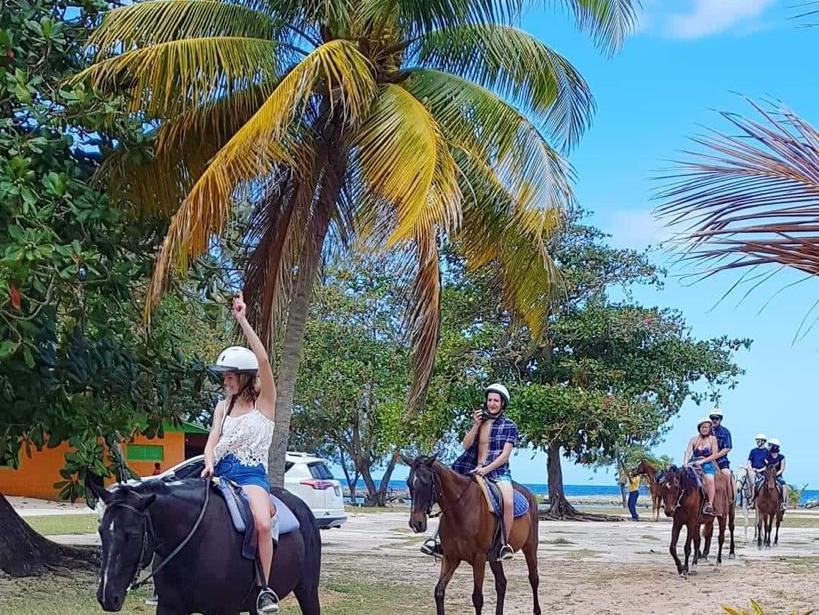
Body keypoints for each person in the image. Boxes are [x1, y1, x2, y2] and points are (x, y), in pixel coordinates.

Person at [201, 293, 279, 613]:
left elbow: (263, 360)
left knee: (261, 523)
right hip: (220, 473)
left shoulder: (265, 402)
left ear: (245, 376)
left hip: (250, 476)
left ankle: (265, 590)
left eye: (231, 374)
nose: (226, 380)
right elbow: (211, 442)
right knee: (170, 505)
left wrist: (242, 320)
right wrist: (207, 464)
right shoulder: (223, 405)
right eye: (225, 375)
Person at [421, 383, 518, 561]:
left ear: (503, 403)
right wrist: (475, 425)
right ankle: (436, 539)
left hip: (498, 472)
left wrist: (486, 469)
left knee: (509, 502)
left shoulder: (509, 425)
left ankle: (504, 544)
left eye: (496, 400)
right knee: (453, 499)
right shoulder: (480, 423)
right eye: (490, 400)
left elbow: (505, 456)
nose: (492, 404)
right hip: (473, 469)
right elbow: (465, 445)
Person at [684, 417, 720, 516]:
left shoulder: (713, 439)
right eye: (702, 427)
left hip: (707, 462)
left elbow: (715, 454)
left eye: (706, 427)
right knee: (680, 476)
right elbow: (688, 452)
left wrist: (703, 461)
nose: (704, 429)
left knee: (709, 479)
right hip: (694, 462)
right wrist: (686, 463)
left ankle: (710, 504)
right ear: (699, 428)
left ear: (710, 429)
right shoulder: (693, 439)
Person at [765, 438, 788, 511]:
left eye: (769, 445)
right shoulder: (767, 456)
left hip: (778, 476)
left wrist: (775, 475)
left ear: (774, 446)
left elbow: (782, 469)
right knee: (758, 484)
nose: (768, 446)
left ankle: (783, 502)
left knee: (784, 486)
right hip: (768, 476)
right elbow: (765, 467)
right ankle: (754, 501)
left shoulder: (781, 457)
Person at [709, 408, 733, 478]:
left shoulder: (725, 432)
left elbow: (727, 448)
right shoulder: (705, 431)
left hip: (721, 460)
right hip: (705, 459)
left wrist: (715, 456)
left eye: (717, 418)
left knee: (727, 474)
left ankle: (732, 489)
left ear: (720, 419)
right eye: (712, 418)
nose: (714, 420)